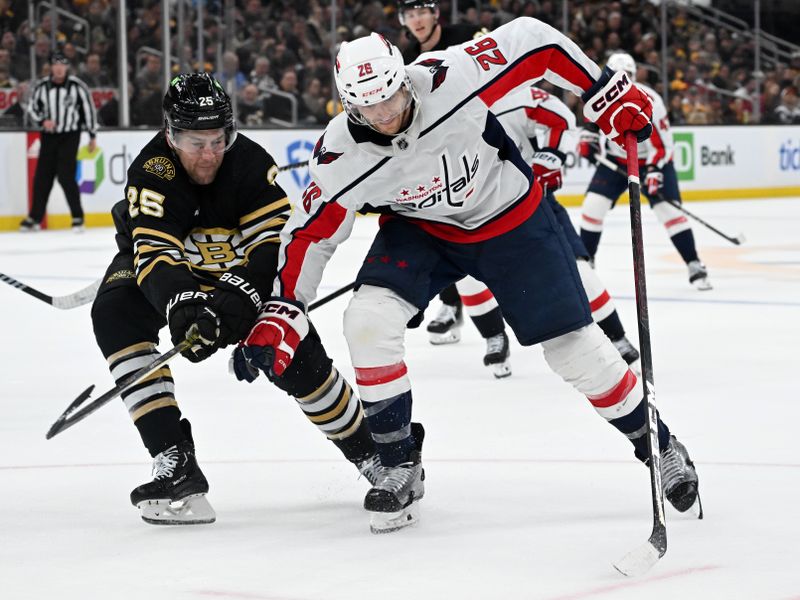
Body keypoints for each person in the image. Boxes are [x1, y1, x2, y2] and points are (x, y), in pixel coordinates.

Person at [233, 22, 701, 534]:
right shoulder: (340, 155)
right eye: (370, 109)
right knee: (367, 321)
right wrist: (284, 309)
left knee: (574, 349)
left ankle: (659, 447)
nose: (387, 116)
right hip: (424, 233)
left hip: (510, 219)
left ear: (404, 80)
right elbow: (308, 236)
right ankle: (397, 462)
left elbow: (532, 41)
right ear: (349, 106)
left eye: (392, 98)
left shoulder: (448, 76)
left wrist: (600, 87)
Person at [90, 73, 380, 525]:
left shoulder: (248, 162)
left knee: (296, 360)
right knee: (114, 313)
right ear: (170, 133)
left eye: (218, 139)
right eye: (194, 142)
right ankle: (174, 458)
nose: (208, 154)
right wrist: (182, 304)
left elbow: (274, 246)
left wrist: (240, 297)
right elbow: (155, 250)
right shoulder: (152, 170)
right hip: (174, 273)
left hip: (237, 273)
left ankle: (371, 451)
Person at [399, 0, 511, 377]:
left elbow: (498, 74)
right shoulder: (404, 58)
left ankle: (486, 313)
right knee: (437, 232)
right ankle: (458, 307)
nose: (415, 20)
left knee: (478, 240)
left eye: (420, 12)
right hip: (436, 157)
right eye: (408, 14)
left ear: (435, 15)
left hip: (479, 144)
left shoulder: (465, 37)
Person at [492, 84, 641, 367]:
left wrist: (550, 157)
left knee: (581, 274)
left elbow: (560, 115)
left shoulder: (513, 95)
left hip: (535, 203)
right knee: (468, 278)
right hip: (481, 215)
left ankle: (616, 337)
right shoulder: (443, 106)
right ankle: (491, 335)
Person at [578, 52, 712, 291]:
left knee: (669, 211)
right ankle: (586, 266)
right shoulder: (598, 95)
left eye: (627, 76)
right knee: (592, 207)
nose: (623, 81)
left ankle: (694, 263)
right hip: (616, 159)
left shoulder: (650, 98)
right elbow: (591, 122)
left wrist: (653, 171)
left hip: (650, 161)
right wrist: (588, 140)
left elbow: (662, 144)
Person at [21, 51, 97, 232]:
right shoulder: (41, 87)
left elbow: (88, 109)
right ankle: (35, 218)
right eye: (56, 64)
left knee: (66, 176)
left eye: (62, 65)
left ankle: (77, 217)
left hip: (70, 135)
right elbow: (31, 107)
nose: (59, 68)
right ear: (51, 67)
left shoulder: (78, 86)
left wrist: (92, 134)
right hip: (48, 136)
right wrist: (42, 120)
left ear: (67, 67)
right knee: (42, 177)